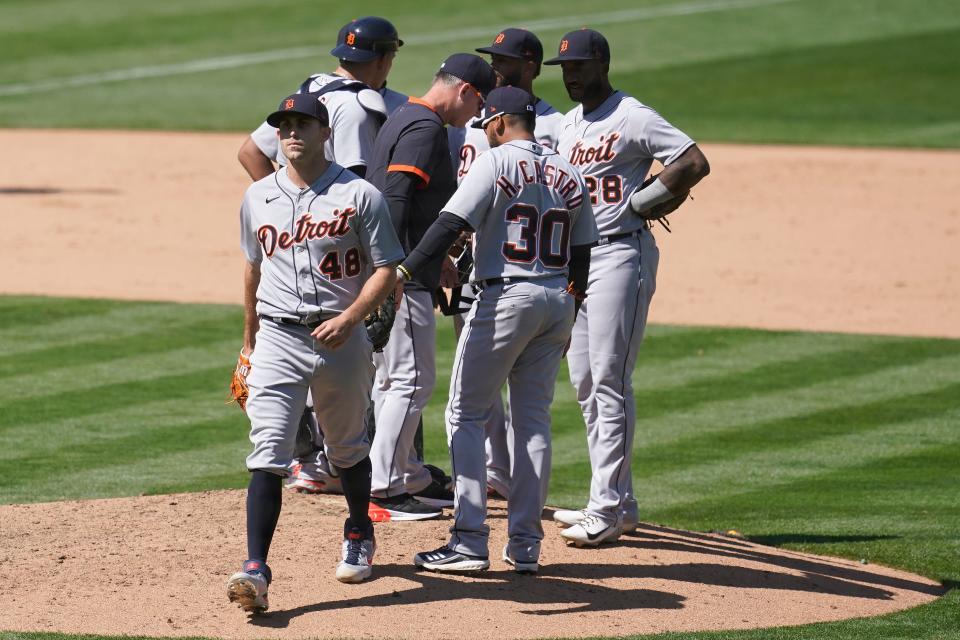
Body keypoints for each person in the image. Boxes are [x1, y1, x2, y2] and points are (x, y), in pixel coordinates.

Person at [399, 86, 597, 573]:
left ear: (501, 122)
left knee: (464, 414)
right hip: (556, 299)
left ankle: (468, 541)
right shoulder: (569, 171)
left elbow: (448, 223)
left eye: (487, 125)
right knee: (533, 423)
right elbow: (583, 254)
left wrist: (403, 273)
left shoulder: (495, 162)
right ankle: (526, 546)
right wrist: (568, 312)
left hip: (506, 297)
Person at [226, 92, 404, 614]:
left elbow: (387, 267)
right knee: (268, 452)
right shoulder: (257, 196)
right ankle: (256, 570)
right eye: (283, 126)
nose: (291, 133)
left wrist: (351, 319)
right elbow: (253, 270)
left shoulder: (360, 195)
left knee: (346, 447)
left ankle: (357, 527)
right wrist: (249, 341)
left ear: (326, 132)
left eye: (302, 124)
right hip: (279, 337)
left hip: (341, 340)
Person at [544, 29, 710, 546]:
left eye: (578, 67)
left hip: (621, 254)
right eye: (564, 69)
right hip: (580, 258)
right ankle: (619, 500)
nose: (570, 76)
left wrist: (646, 201)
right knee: (585, 380)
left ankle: (607, 508)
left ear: (601, 64)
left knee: (609, 378)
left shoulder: (632, 115)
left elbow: (693, 161)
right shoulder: (569, 124)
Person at [236, 17, 407, 496]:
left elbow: (249, 152)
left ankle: (315, 458)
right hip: (348, 270)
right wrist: (296, 212)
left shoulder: (312, 87)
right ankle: (350, 468)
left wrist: (286, 211)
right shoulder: (354, 109)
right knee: (379, 372)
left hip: (315, 278)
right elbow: (352, 190)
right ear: (383, 58)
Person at [364, 54, 496, 522]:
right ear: (464, 91)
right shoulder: (424, 128)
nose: (474, 117)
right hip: (400, 275)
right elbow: (397, 196)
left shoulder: (404, 116)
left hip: (399, 269)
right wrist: (394, 271)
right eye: (476, 104)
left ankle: (396, 478)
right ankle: (382, 488)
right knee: (413, 379)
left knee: (392, 378)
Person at [445, 28, 566, 502]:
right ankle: (497, 473)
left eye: (506, 60)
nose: (495, 67)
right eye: (493, 59)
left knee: (514, 397)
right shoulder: (476, 119)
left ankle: (497, 499)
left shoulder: (553, 125)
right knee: (479, 381)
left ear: (531, 65)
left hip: (522, 265)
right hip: (473, 259)